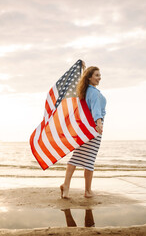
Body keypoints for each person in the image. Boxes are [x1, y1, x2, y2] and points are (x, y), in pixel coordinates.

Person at [60, 61, 106, 199]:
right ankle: (87, 191)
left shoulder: (85, 91)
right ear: (90, 78)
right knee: (90, 159)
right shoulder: (95, 93)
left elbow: (84, 80)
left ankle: (66, 185)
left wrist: (83, 68)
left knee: (77, 156)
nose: (99, 77)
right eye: (96, 75)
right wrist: (99, 123)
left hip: (85, 128)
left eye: (100, 75)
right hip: (93, 127)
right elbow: (96, 109)